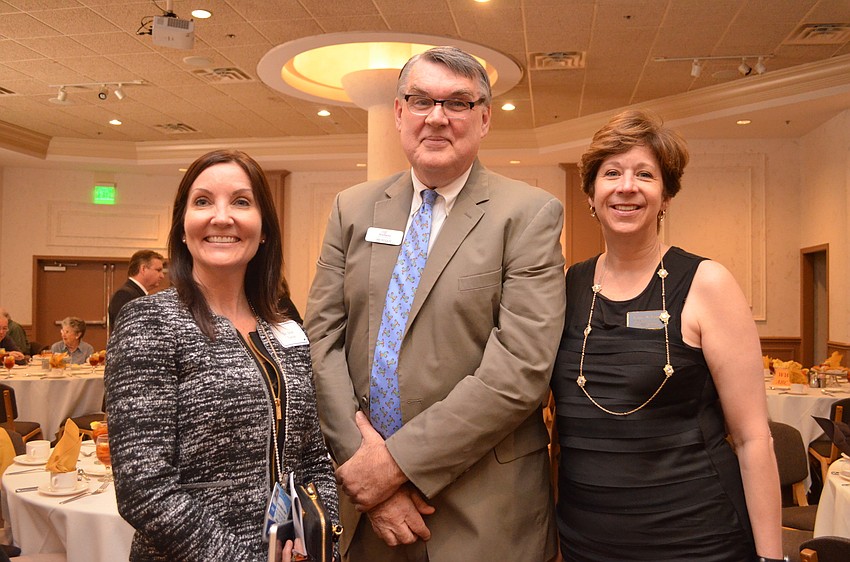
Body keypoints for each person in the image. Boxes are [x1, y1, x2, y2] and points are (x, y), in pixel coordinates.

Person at [305, 46, 565, 561]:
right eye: (421, 100)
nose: (437, 117)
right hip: (362, 508)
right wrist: (366, 465)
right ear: (399, 112)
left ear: (485, 119)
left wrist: (393, 466)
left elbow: (520, 370)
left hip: (483, 511)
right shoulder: (351, 209)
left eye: (458, 103)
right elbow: (320, 342)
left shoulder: (529, 215)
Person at [550, 109, 783, 561]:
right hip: (586, 539)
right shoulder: (565, 287)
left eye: (645, 174)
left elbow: (754, 437)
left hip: (697, 537)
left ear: (666, 196)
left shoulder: (707, 283)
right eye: (611, 172)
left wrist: (773, 558)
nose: (626, 186)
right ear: (591, 195)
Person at [105, 149, 338, 562]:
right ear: (182, 227)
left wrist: (317, 538)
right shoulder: (149, 321)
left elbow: (314, 454)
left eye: (242, 201)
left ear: (263, 229)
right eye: (203, 201)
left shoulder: (284, 327)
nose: (222, 216)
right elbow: (144, 487)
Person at [107, 249, 166, 330]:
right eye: (158, 270)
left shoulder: (136, 294)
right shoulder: (124, 295)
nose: (162, 276)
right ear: (143, 269)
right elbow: (126, 332)